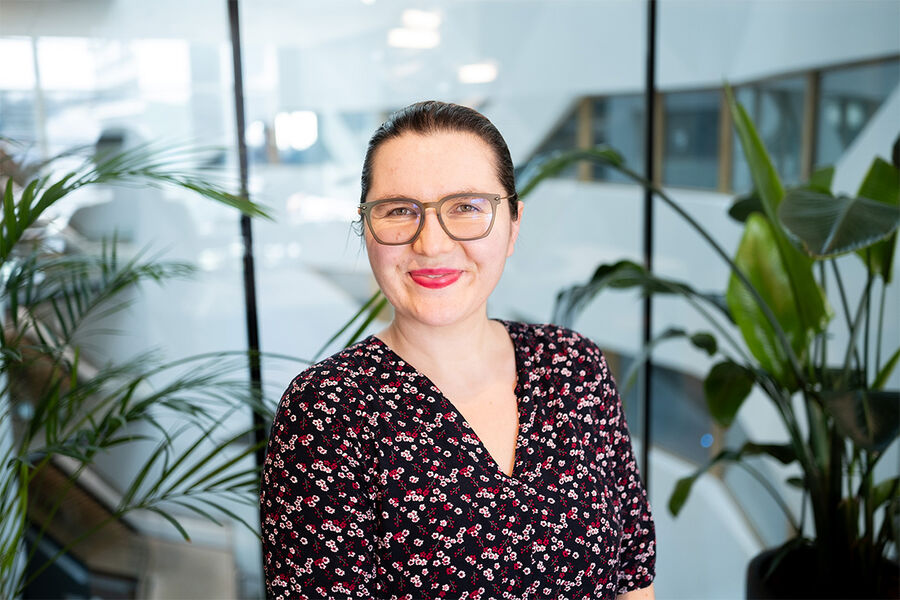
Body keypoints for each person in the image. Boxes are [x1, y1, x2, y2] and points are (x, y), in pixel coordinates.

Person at [260, 101, 656, 600]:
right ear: (365, 229)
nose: (431, 244)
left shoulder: (575, 367)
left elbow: (633, 574)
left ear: (513, 224)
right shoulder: (329, 412)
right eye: (400, 210)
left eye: (466, 207)